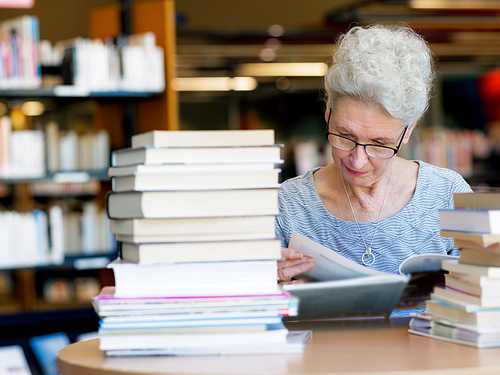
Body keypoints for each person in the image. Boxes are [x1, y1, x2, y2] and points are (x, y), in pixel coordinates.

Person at [276, 24, 473, 283]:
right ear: (327, 116)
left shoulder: (448, 195)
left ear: (407, 131)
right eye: (345, 136)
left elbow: (487, 300)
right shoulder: (288, 206)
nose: (358, 160)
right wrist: (261, 282)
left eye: (380, 143)